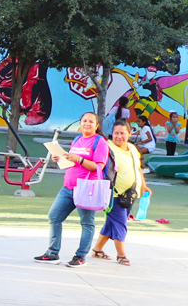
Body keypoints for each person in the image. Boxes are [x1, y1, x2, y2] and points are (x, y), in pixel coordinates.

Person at [33, 111, 108, 268]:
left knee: (87, 222)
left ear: (97, 125)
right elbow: (72, 162)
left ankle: (80, 257)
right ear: (80, 123)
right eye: (84, 121)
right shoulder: (78, 139)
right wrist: (61, 158)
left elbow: (98, 167)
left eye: (91, 121)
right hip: (68, 187)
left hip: (87, 188)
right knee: (54, 216)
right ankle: (53, 253)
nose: (87, 124)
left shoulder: (100, 142)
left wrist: (80, 159)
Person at [91, 120, 148, 266]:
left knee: (112, 223)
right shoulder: (107, 147)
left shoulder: (132, 148)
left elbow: (138, 168)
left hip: (130, 195)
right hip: (113, 195)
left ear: (129, 134)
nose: (119, 136)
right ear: (112, 134)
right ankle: (121, 255)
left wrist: (144, 186)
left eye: (122, 133)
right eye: (116, 133)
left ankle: (97, 250)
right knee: (120, 223)